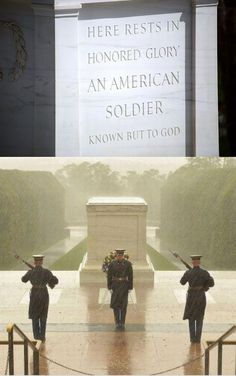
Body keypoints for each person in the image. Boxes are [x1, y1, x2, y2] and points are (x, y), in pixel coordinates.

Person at [21, 254, 59, 342]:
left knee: (34, 315)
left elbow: (23, 280)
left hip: (34, 294)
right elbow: (56, 281)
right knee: (43, 315)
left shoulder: (31, 272)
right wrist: (50, 279)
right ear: (42, 262)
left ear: (34, 262)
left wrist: (30, 272)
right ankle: (42, 336)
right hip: (44, 294)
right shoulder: (47, 272)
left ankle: (36, 335)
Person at [180, 255, 214, 343]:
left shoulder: (188, 272)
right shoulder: (204, 272)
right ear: (199, 262)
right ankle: (198, 339)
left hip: (191, 297)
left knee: (191, 317)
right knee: (199, 317)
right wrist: (205, 283)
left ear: (192, 263)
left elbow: (182, 282)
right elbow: (212, 283)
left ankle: (192, 338)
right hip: (201, 297)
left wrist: (188, 273)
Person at [107, 249, 133, 330]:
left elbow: (131, 276)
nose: (119, 257)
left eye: (121, 255)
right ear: (116, 256)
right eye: (118, 255)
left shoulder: (128, 264)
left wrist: (130, 287)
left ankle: (122, 322)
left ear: (123, 256)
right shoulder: (112, 264)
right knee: (116, 305)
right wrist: (109, 287)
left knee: (123, 305)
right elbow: (109, 276)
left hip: (124, 286)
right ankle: (117, 322)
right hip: (115, 286)